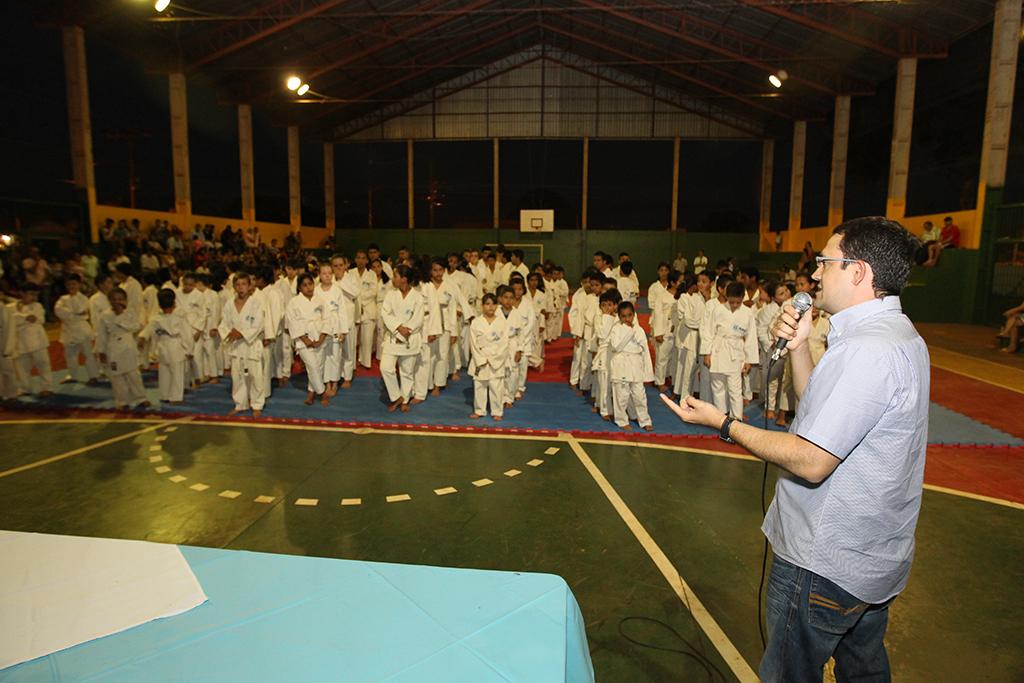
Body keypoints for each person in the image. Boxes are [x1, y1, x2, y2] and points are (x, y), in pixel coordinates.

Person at [662, 216, 928, 682]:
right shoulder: (897, 335)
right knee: (863, 669)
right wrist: (801, 347)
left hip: (824, 564)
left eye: (826, 262)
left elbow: (812, 459)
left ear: (858, 271)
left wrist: (724, 423)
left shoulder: (866, 350)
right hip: (870, 561)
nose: (815, 273)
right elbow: (820, 413)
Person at [700, 282, 758, 420]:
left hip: (736, 351)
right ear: (726, 297)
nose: (735, 305)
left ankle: (736, 418)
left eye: (738, 302)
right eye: (731, 302)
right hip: (718, 349)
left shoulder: (748, 313)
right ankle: (722, 417)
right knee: (717, 386)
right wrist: (707, 353)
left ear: (743, 298)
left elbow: (751, 338)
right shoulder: (718, 310)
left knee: (735, 389)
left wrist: (749, 360)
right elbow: (708, 332)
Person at [219, 272, 266, 416]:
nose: (241, 288)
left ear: (249, 286)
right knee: (237, 376)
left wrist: (241, 334)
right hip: (236, 346)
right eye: (238, 285)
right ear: (234, 287)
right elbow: (224, 323)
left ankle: (257, 404)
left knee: (255, 376)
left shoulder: (256, 304)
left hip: (251, 345)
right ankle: (240, 404)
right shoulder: (229, 304)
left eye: (244, 284)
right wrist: (229, 333)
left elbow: (258, 325)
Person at [380, 265, 424, 413]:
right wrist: (399, 328)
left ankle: (405, 400)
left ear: (404, 279)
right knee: (385, 367)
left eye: (395, 276)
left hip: (410, 338)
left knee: (407, 372)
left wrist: (407, 331)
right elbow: (385, 314)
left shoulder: (417, 297)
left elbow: (418, 319)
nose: (393, 279)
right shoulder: (390, 295)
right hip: (393, 337)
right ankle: (396, 396)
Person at [95, 288, 148, 409]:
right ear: (109, 300)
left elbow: (136, 327)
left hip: (128, 345)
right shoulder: (104, 315)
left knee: (133, 374)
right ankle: (122, 401)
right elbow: (102, 335)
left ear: (125, 300)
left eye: (120, 299)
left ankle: (140, 398)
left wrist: (120, 316)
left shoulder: (130, 313)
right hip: (113, 347)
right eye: (114, 299)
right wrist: (101, 351)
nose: (117, 302)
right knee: (117, 376)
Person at [138, 288, 191, 404]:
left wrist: (142, 338)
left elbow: (147, 331)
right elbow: (187, 335)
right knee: (177, 373)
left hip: (162, 346)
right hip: (175, 346)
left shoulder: (156, 319)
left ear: (159, 305)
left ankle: (164, 395)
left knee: (164, 372)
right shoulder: (179, 318)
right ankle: (176, 398)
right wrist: (189, 350)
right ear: (174, 303)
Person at [608, 301, 654, 431]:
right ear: (619, 317)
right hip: (621, 365)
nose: (627, 319)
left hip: (636, 365)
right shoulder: (616, 329)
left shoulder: (639, 330)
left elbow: (644, 351)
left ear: (634, 315)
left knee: (640, 396)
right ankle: (621, 420)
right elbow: (616, 347)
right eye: (623, 316)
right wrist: (629, 332)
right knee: (621, 396)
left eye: (629, 315)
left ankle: (644, 420)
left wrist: (647, 372)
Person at [288, 272, 329, 406]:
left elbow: (327, 320)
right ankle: (322, 392)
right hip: (303, 340)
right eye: (304, 285)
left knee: (319, 367)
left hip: (319, 337)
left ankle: (311, 393)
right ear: (299, 288)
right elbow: (292, 323)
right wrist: (305, 339)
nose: (308, 287)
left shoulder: (320, 300)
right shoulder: (293, 302)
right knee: (312, 366)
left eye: (310, 284)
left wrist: (322, 338)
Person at [468, 293, 507, 421]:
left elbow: (504, 344)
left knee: (496, 386)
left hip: (496, 358)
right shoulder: (476, 322)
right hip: (481, 357)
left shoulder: (502, 322)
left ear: (497, 306)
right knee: (480, 385)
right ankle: (479, 410)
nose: (491, 307)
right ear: (482, 306)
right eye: (487, 304)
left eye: (493, 304)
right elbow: (473, 344)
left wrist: (494, 359)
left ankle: (497, 411)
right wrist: (481, 359)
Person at [54, 274, 99, 385]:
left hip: (81, 329)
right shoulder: (63, 299)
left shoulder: (84, 298)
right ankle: (72, 375)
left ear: (79, 284)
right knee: (70, 355)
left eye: (74, 284)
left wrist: (70, 313)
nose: (71, 286)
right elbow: (58, 311)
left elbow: (81, 311)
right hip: (68, 330)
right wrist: (74, 314)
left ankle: (93, 375)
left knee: (88, 354)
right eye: (69, 284)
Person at [12, 284, 54, 396]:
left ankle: (47, 387)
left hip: (38, 341)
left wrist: (21, 319)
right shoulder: (11, 307)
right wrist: (24, 318)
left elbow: (37, 319)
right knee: (22, 367)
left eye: (36, 295)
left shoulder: (37, 306)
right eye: (31, 294)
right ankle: (25, 388)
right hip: (20, 342)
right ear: (22, 293)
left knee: (43, 365)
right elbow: (12, 321)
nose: (34, 297)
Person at [591, 289, 622, 420]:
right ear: (600, 306)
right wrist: (606, 317)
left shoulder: (618, 319)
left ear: (614, 305)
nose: (607, 308)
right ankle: (604, 410)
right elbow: (601, 335)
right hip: (604, 354)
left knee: (610, 381)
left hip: (614, 354)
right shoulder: (599, 318)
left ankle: (602, 404)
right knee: (603, 382)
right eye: (604, 305)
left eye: (610, 305)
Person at [650, 269, 682, 392]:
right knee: (662, 357)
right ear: (673, 283)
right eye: (680, 281)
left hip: (677, 330)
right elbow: (657, 315)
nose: (682, 283)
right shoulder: (662, 296)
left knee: (674, 356)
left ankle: (670, 376)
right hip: (664, 330)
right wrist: (658, 333)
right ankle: (659, 381)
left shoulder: (682, 296)